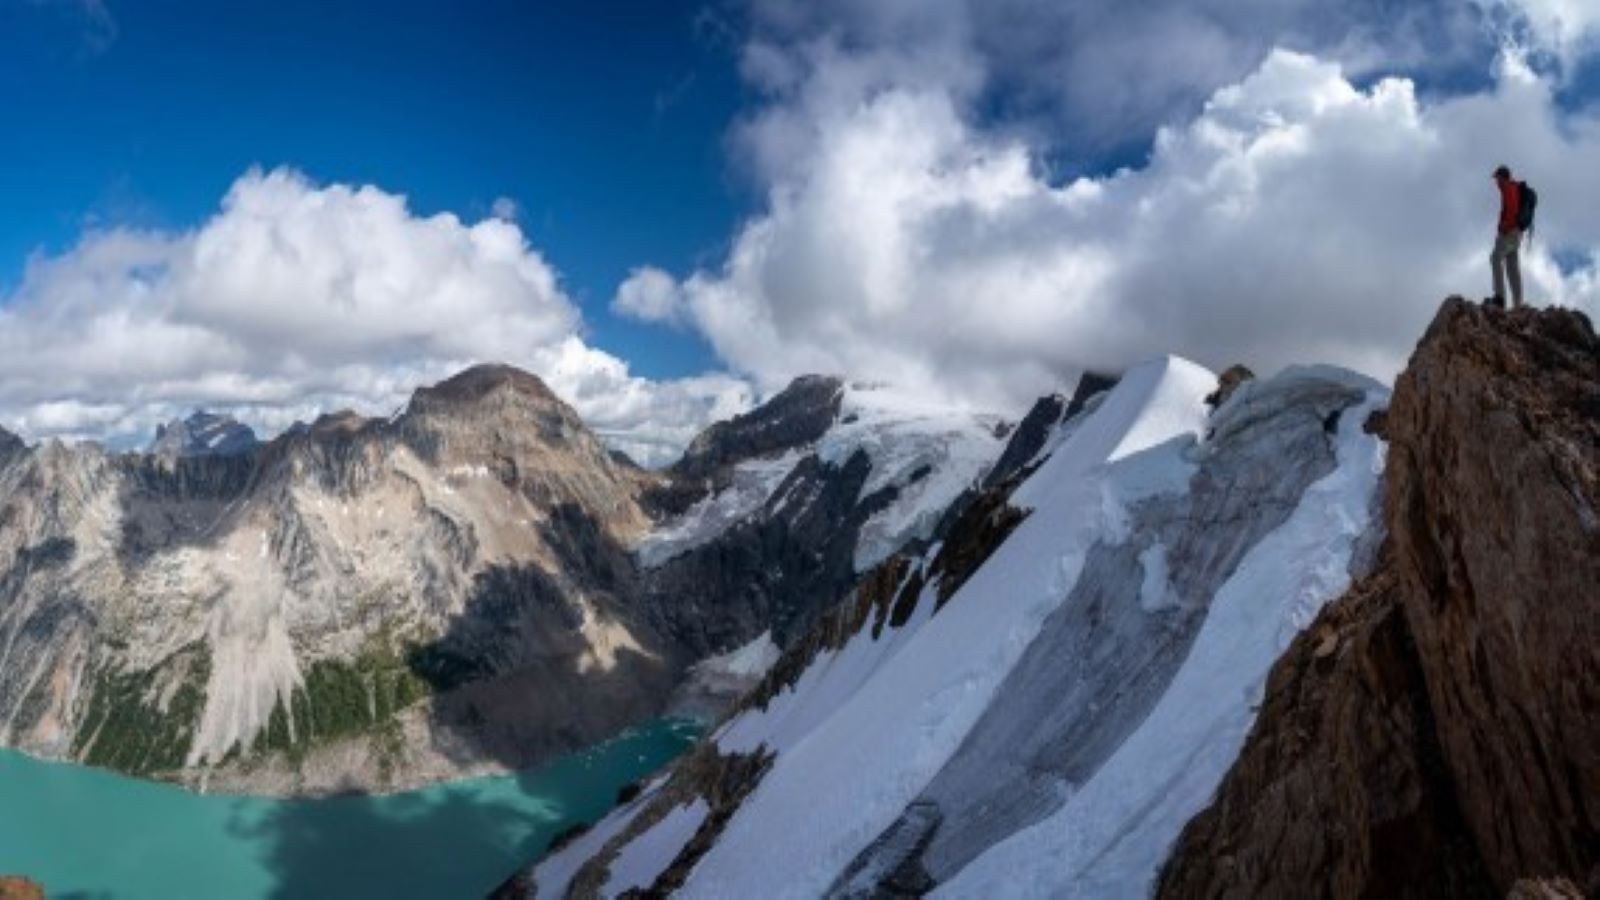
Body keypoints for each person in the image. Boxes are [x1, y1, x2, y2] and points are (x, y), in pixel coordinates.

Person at [1489, 165, 1523, 308]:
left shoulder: (1508, 188)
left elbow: (1512, 209)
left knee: (1496, 258)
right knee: (1512, 267)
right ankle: (1518, 305)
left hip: (1509, 232)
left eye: (1497, 178)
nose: (1496, 181)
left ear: (1502, 177)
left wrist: (1504, 227)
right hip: (1517, 233)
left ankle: (1499, 298)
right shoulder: (1513, 188)